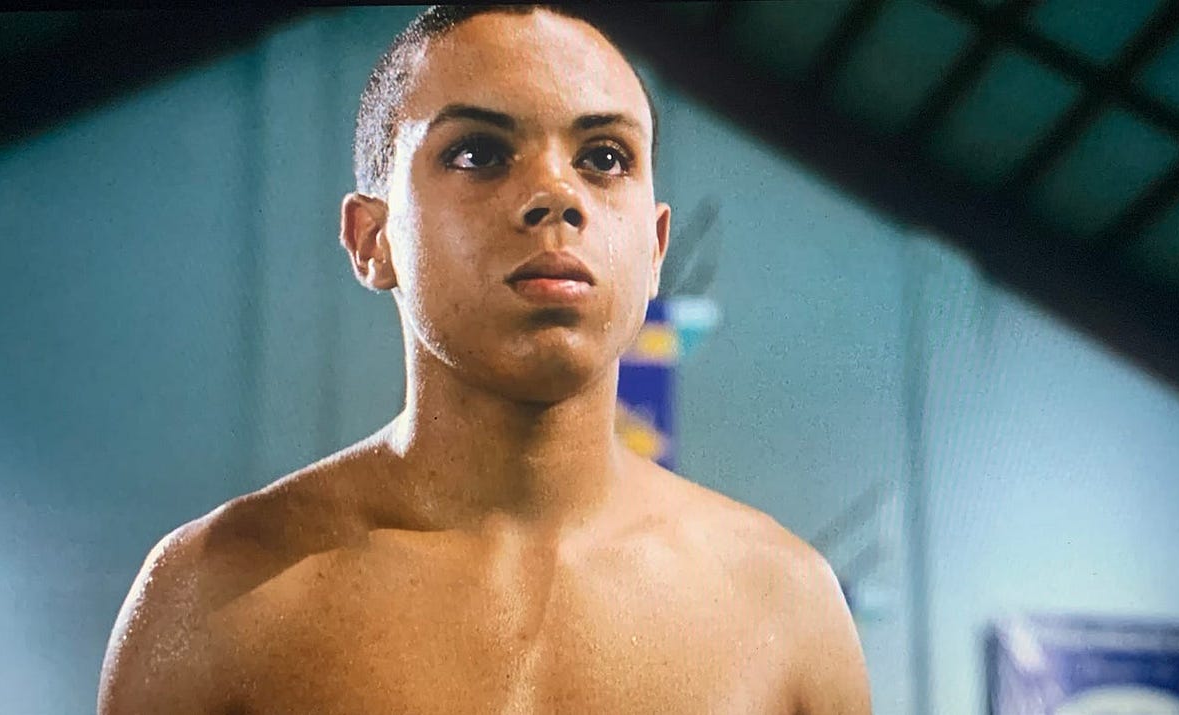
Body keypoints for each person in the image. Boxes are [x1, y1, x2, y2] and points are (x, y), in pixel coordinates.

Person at [97, 5, 872, 713]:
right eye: (479, 153)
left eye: (603, 157)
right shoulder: (212, 596)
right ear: (372, 238)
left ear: (656, 244)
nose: (556, 196)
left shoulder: (786, 603)